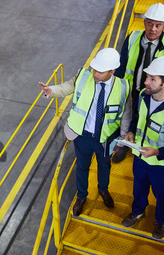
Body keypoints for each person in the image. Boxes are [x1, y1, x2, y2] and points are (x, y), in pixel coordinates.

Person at [39, 48, 131, 216]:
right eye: (94, 68)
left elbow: (126, 114)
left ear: (112, 71)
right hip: (82, 135)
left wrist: (122, 139)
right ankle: (81, 196)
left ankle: (103, 190)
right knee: (82, 167)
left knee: (104, 165)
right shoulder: (83, 75)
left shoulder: (124, 87)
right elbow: (67, 86)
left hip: (106, 138)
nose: (95, 73)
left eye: (100, 71)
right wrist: (52, 91)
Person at [121, 56, 164, 239]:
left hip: (161, 165)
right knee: (139, 188)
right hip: (140, 157)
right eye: (147, 77)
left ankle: (162, 220)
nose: (146, 82)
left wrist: (158, 152)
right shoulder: (144, 96)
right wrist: (130, 132)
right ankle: (138, 211)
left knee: (162, 195)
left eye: (153, 79)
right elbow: (138, 118)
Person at [112, 2, 164, 163]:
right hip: (134, 89)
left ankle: (147, 148)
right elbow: (122, 65)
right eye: (150, 24)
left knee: (148, 120)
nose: (153, 29)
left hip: (155, 94)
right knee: (129, 117)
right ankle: (127, 144)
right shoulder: (132, 38)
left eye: (158, 25)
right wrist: (118, 87)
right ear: (144, 22)